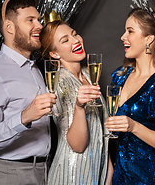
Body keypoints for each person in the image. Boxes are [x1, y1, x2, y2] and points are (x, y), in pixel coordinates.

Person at [0, 0, 56, 185]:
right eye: (30, 20)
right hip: (9, 174)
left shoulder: (34, 67)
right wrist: (23, 117)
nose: (40, 26)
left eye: (39, 19)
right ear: (9, 27)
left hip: (44, 172)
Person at [104, 5, 155, 184]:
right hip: (120, 176)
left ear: (149, 39)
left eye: (130, 31)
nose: (123, 37)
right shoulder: (119, 77)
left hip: (149, 177)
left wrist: (133, 126)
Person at [39, 19, 110, 185]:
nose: (76, 40)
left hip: (95, 172)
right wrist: (79, 107)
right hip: (71, 174)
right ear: (55, 54)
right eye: (65, 40)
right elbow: (77, 145)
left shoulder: (89, 74)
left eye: (74, 34)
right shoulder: (59, 83)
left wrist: (108, 169)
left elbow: (100, 129)